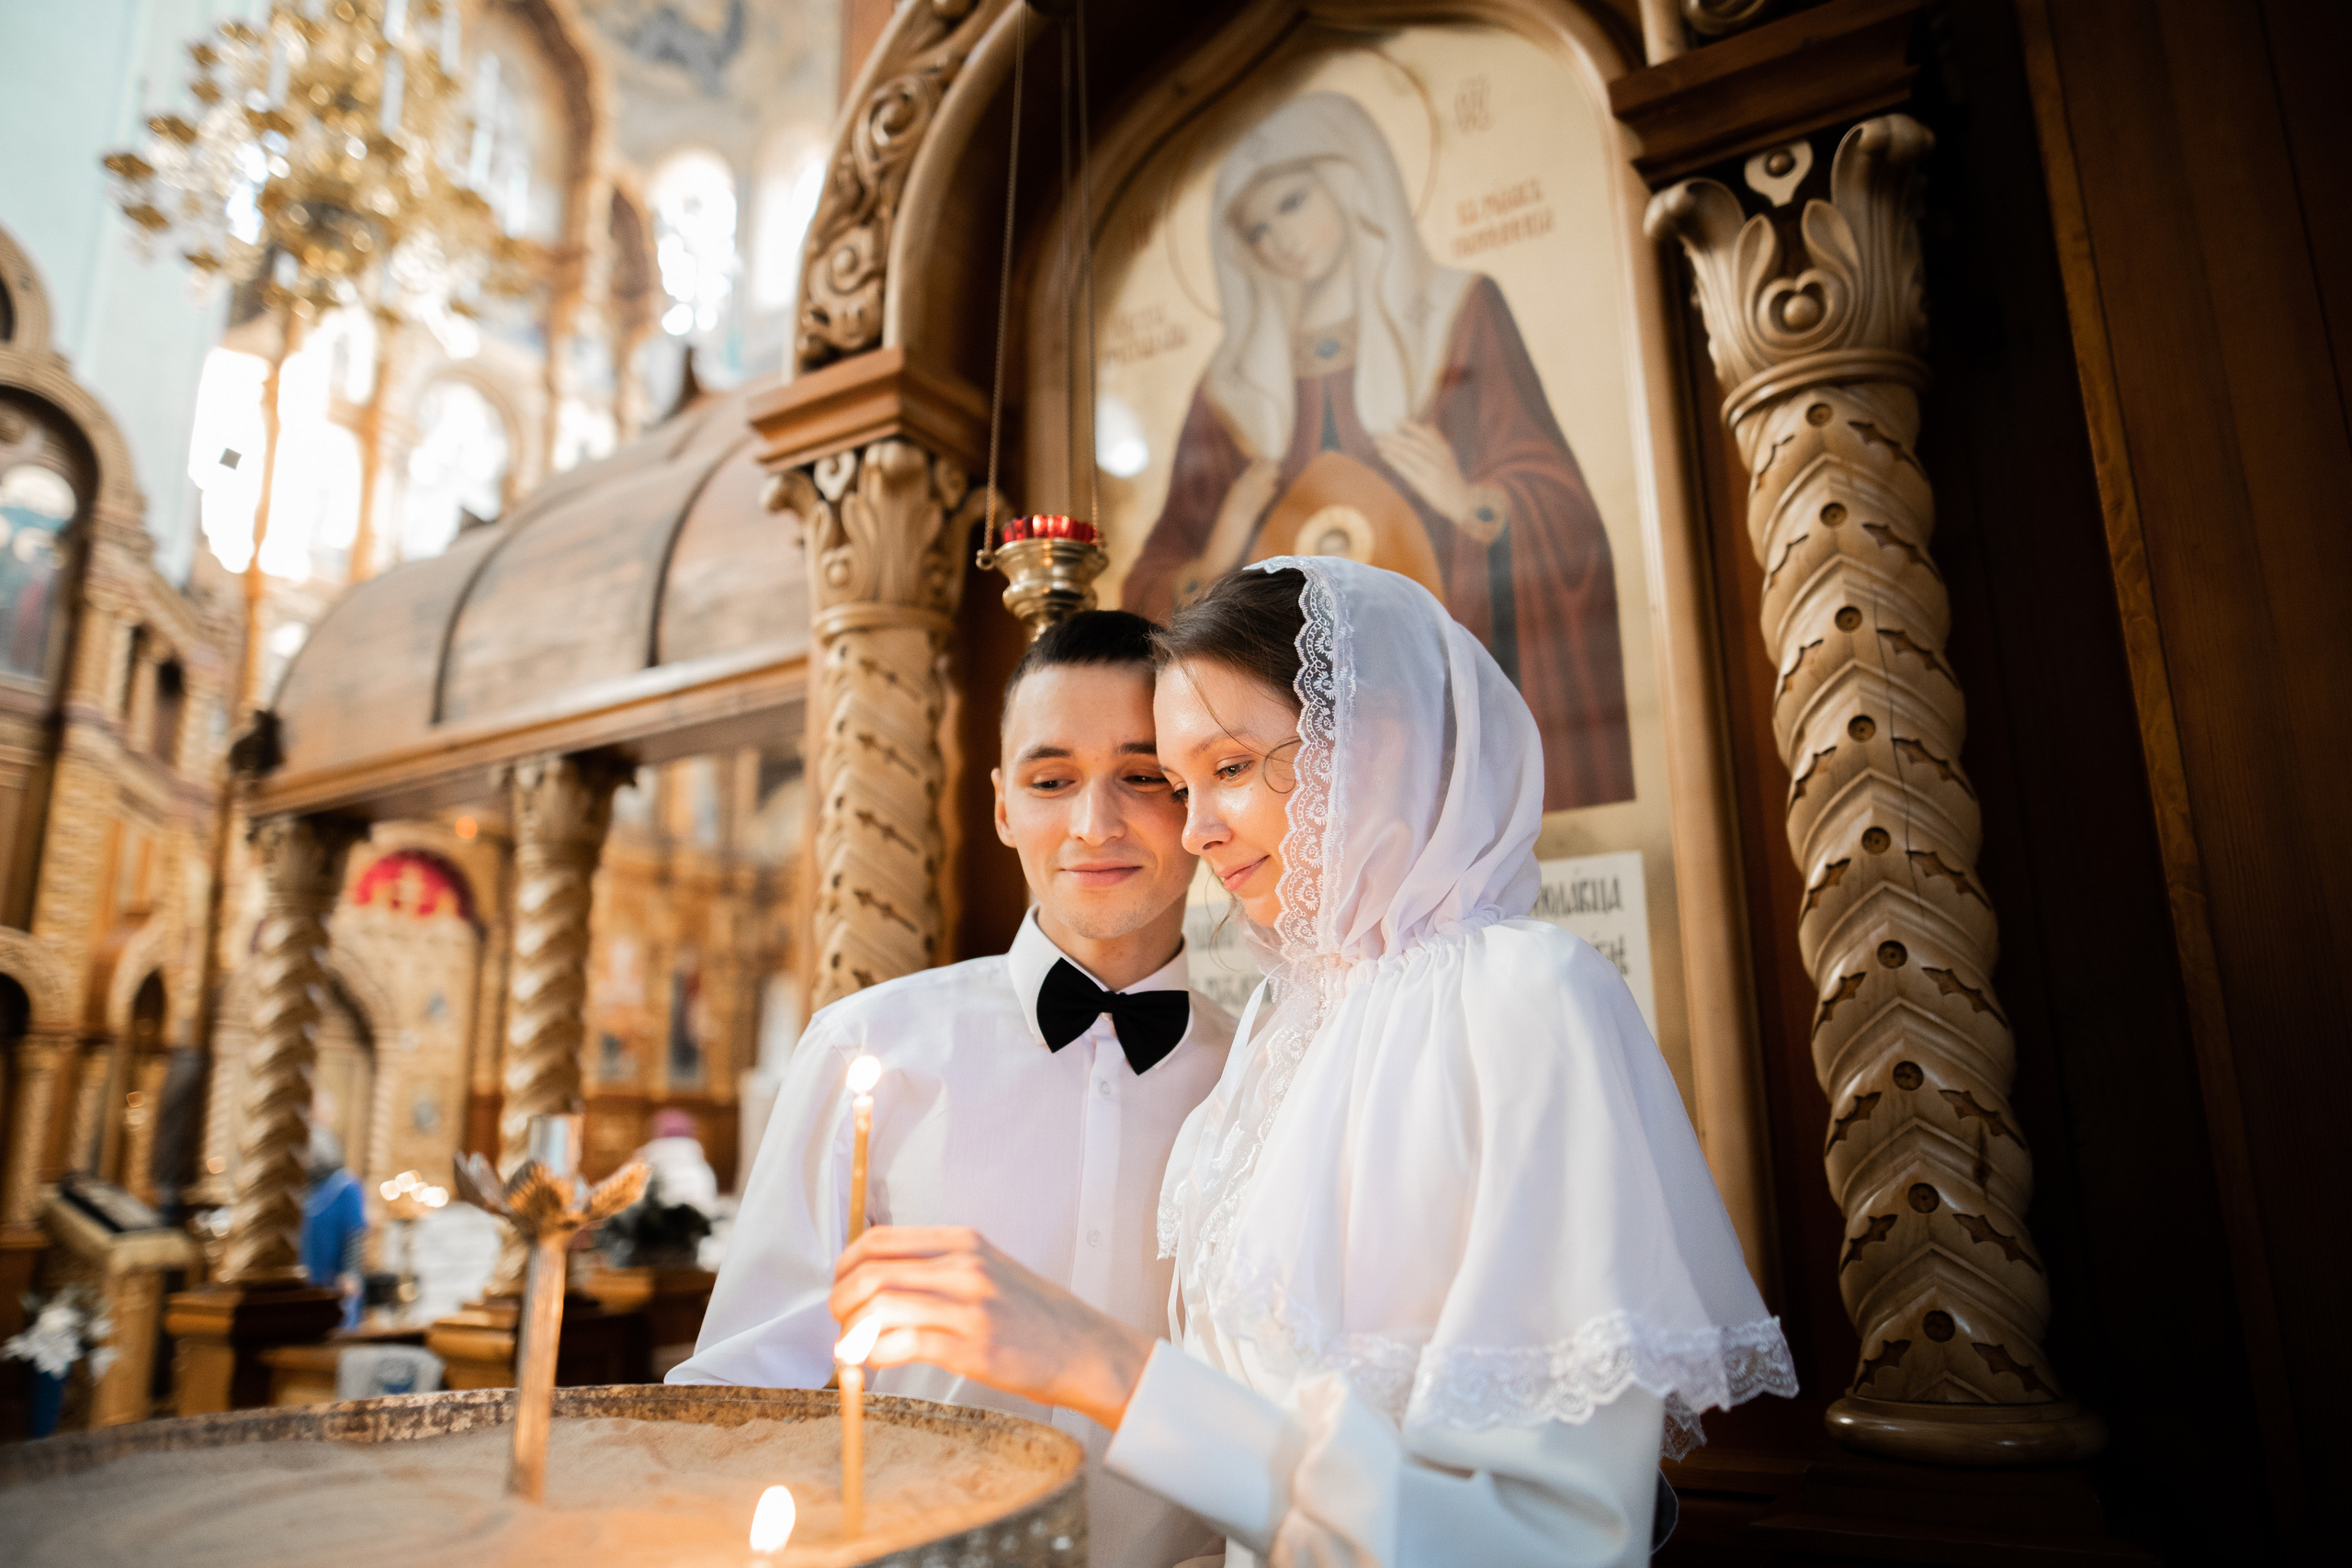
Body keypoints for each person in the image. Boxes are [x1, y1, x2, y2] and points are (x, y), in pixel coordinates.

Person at [831, 560, 1795, 1566]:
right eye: (1184, 783)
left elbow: (1555, 1538)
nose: (1197, 831)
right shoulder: (1271, 1037)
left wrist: (1099, 1362)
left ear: (1370, 747)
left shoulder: (1523, 998)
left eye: (1232, 768)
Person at [670, 610, 1237, 1568]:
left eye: (1141, 777)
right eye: (1051, 781)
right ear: (1004, 805)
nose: (1093, 824)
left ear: (1195, 798)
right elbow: (751, 1380)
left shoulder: (1260, 1071)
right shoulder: (870, 1046)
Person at [1121, 92, 1634, 812]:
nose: (1280, 240)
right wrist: (1207, 568)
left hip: (1447, 745)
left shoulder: (1457, 317)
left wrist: (1477, 504)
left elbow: (1569, 521)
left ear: (1351, 180)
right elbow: (1145, 593)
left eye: (1293, 203)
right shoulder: (1232, 389)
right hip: (1286, 782)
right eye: (1257, 229)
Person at [300, 1124, 368, 1331]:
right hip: (308, 1271)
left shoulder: (346, 1186)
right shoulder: (308, 1189)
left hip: (335, 1277)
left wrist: (350, 1272)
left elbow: (355, 1232)